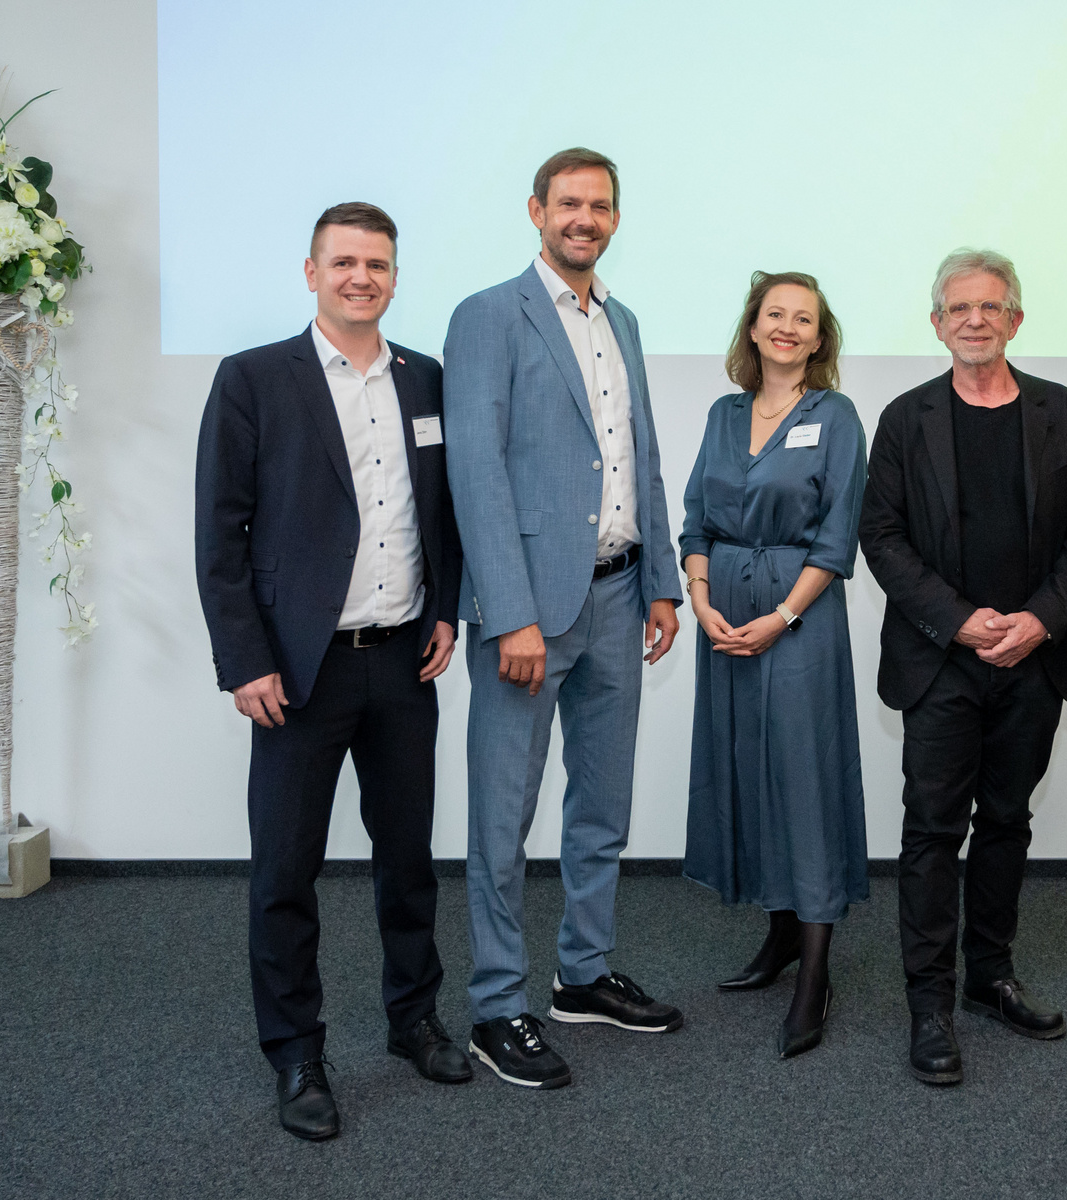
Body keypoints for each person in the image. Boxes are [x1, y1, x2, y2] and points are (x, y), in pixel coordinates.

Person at [194, 202, 470, 1141]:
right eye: (344, 262)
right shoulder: (253, 379)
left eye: (378, 264)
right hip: (298, 677)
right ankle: (296, 1054)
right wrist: (246, 661)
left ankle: (412, 1020)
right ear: (310, 272)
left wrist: (445, 613)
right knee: (284, 872)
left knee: (408, 864)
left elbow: (449, 516)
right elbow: (219, 536)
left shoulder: (427, 379)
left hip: (402, 662)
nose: (362, 277)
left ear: (396, 277)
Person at [443, 148, 683, 1090]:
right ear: (536, 210)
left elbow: (642, 457)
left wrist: (661, 578)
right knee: (503, 820)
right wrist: (508, 614)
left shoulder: (618, 319)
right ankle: (498, 1005)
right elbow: (476, 470)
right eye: (569, 203)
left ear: (615, 219)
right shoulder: (488, 316)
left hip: (622, 595)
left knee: (602, 805)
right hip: (531, 615)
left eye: (601, 206)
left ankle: (581, 974)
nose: (584, 218)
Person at [859, 249, 1067, 1086]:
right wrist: (960, 621)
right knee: (931, 831)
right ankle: (928, 1002)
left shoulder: (1059, 413)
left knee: (1006, 823)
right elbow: (880, 538)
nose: (973, 319)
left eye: (989, 306)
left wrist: (1040, 619)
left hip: (1031, 660)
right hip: (939, 663)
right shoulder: (903, 419)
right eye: (956, 308)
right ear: (936, 323)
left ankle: (989, 975)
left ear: (1015, 320)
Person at [679, 271, 869, 1059]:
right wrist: (697, 596)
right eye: (774, 315)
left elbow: (837, 534)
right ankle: (781, 936)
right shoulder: (724, 416)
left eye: (804, 319)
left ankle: (816, 970)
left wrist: (782, 616)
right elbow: (693, 517)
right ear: (751, 330)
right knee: (749, 774)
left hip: (797, 619)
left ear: (819, 339)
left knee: (805, 779)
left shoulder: (836, 417)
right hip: (722, 614)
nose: (788, 328)